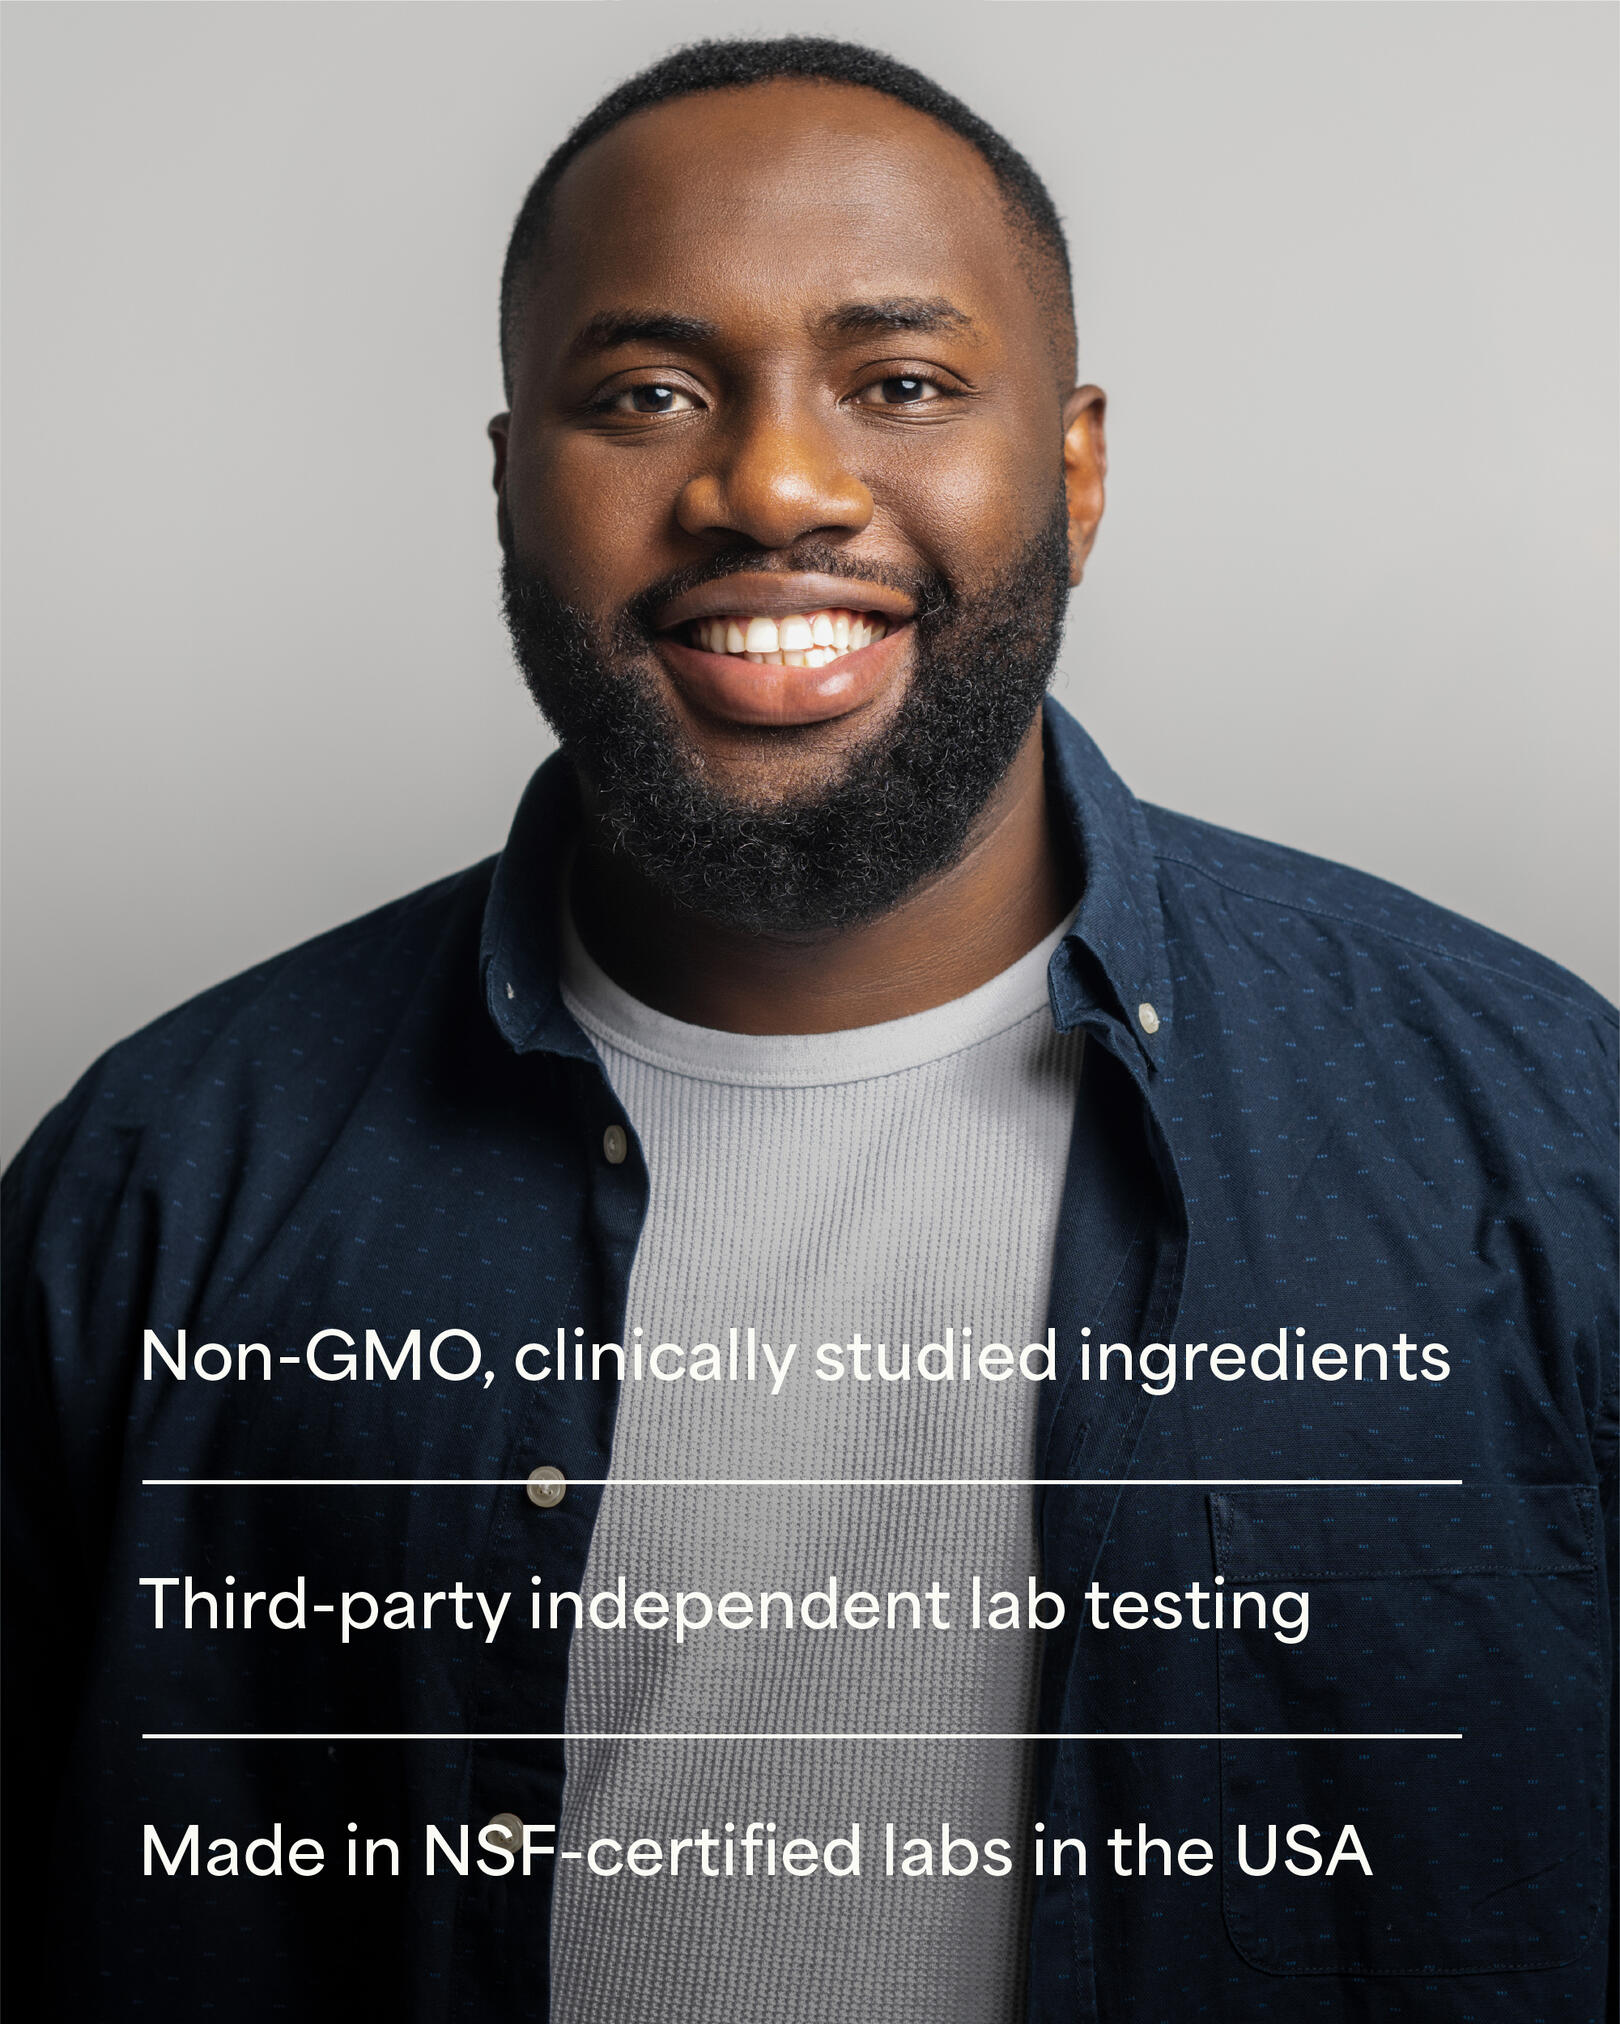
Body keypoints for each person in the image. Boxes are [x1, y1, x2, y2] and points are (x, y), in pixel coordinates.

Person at [3, 34, 1613, 2024]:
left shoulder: (1539, 1140)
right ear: (514, 482)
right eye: (649, 391)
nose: (772, 483)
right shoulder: (162, 1190)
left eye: (903, 383)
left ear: (1081, 467)